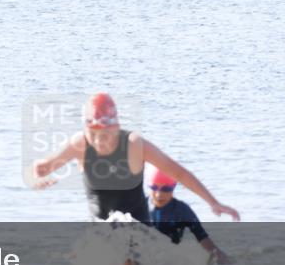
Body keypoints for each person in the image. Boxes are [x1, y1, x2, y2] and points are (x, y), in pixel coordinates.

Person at [33, 93, 240, 225]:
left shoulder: (134, 145)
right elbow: (42, 167)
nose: (99, 141)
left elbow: (177, 172)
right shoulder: (80, 145)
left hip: (137, 227)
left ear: (116, 127)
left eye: (106, 134)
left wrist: (213, 203)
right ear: (86, 129)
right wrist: (38, 176)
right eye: (93, 134)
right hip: (100, 230)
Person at [146, 167, 233, 265]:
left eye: (166, 189)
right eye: (154, 187)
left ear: (173, 187)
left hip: (169, 258)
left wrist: (222, 258)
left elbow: (202, 237)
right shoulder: (141, 207)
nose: (158, 194)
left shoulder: (182, 211)